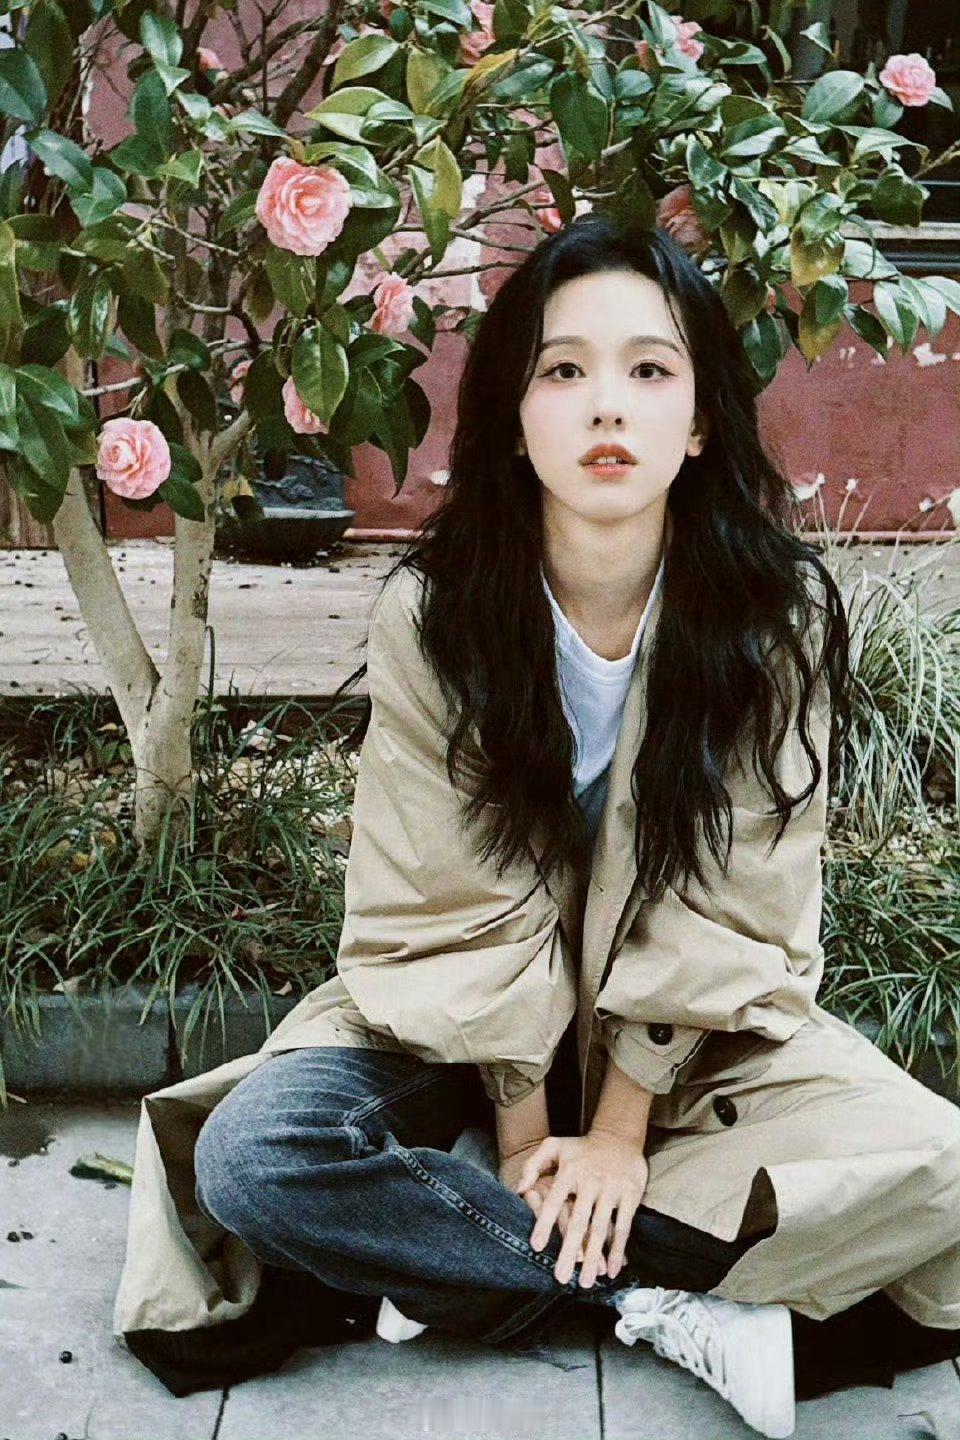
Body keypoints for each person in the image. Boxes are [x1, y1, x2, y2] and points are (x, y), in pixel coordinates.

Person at [115, 218, 960, 1437]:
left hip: (686, 1044)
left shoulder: (768, 620)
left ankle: (450, 1254)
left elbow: (738, 897)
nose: (607, 404)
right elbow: (444, 898)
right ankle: (658, 1299)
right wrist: (524, 1136)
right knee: (256, 1160)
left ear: (702, 420)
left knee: (943, 1168)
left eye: (650, 369)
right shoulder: (439, 617)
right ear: (515, 419)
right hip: (452, 1034)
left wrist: (616, 1135)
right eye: (564, 370)